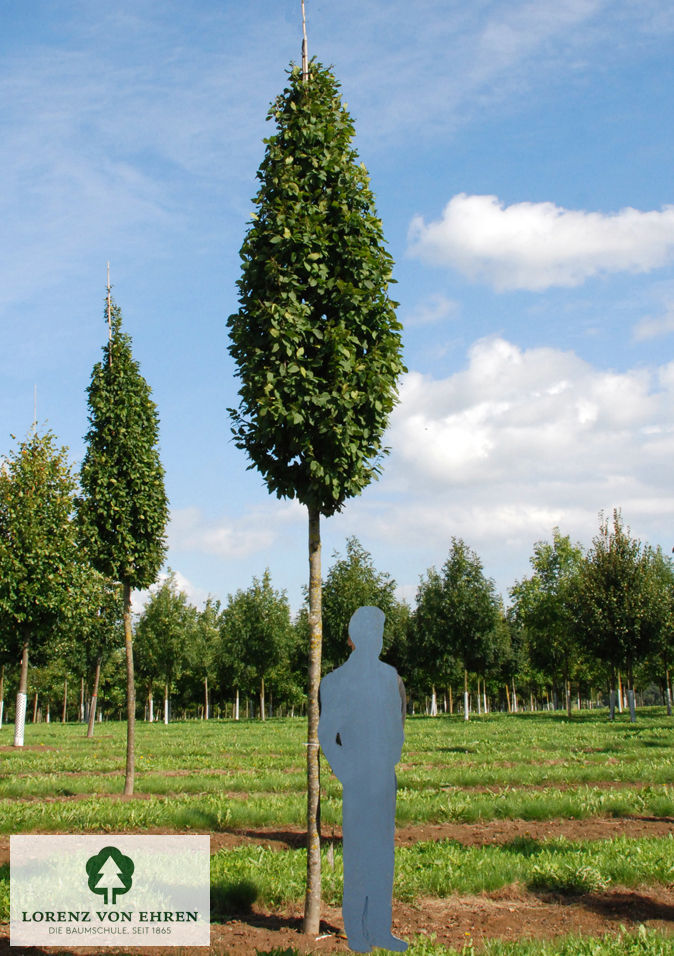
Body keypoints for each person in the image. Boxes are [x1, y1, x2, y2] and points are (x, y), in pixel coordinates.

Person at [318, 606, 407, 953]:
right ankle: (357, 933)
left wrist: (384, 762)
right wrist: (348, 771)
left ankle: (379, 930)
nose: (378, 640)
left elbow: (397, 727)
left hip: (382, 777)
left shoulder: (391, 678)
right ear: (356, 639)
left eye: (380, 633)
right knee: (358, 855)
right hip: (360, 780)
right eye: (373, 633)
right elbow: (328, 735)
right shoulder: (335, 682)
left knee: (382, 855)